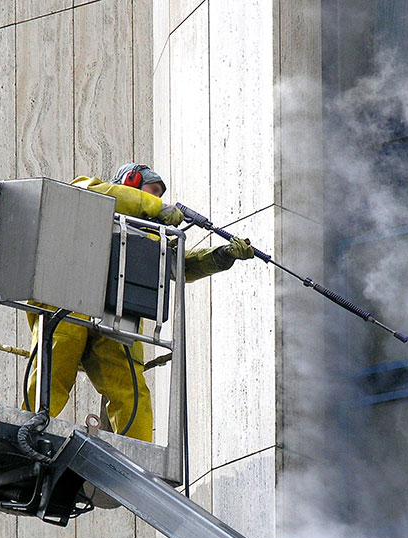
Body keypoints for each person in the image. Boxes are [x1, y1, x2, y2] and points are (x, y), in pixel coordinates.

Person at [24, 163, 254, 442]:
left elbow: (178, 266)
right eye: (151, 191)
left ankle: (137, 451)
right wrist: (154, 207)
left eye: (159, 196)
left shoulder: (149, 237)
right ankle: (27, 427)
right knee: (52, 371)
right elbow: (91, 192)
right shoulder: (91, 192)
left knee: (131, 390)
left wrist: (221, 256)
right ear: (129, 183)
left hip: (116, 315)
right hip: (67, 302)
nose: (156, 200)